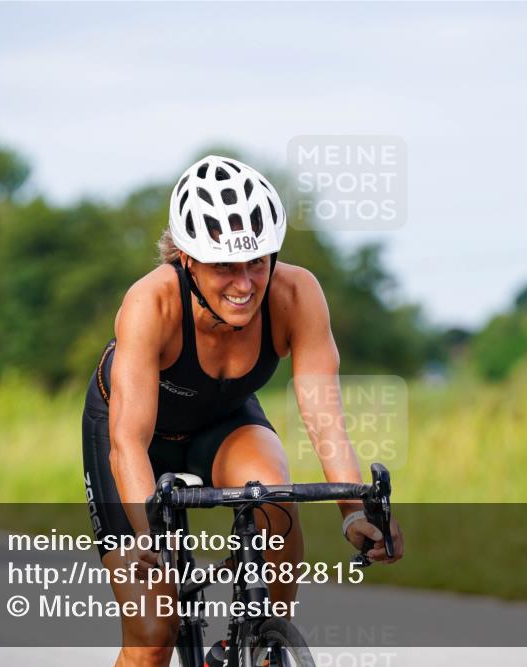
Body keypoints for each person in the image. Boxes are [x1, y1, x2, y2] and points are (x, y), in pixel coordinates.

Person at [81, 155, 404, 666]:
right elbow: (128, 441)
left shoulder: (297, 295)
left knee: (274, 501)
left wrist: (353, 513)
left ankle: (257, 645)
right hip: (133, 438)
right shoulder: (151, 304)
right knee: (153, 629)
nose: (244, 283)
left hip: (221, 420)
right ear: (186, 259)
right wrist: (152, 542)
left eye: (256, 261)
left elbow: (325, 417)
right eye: (224, 265)